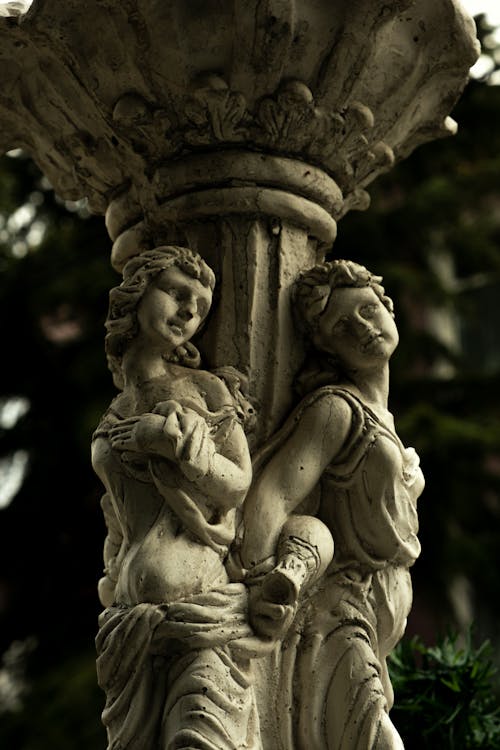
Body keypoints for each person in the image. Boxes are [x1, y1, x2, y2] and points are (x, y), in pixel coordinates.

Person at [241, 259, 424, 750]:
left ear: (387, 307)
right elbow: (272, 496)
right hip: (336, 607)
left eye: (367, 311)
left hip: (377, 610)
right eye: (344, 326)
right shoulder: (336, 409)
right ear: (326, 346)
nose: (363, 329)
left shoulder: (382, 417)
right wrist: (259, 593)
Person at [92, 246, 260, 750]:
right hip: (130, 624)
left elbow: (236, 483)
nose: (189, 312)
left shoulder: (206, 389)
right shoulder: (113, 410)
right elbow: (120, 518)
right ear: (137, 296)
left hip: (204, 612)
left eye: (201, 307)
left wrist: (169, 444)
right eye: (177, 294)